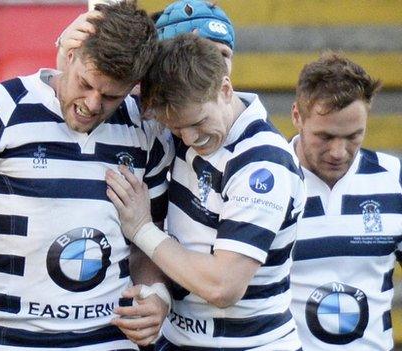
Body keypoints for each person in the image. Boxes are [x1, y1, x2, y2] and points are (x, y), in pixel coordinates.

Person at [0, 2, 174, 350]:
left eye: (110, 96)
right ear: (71, 54)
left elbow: (147, 243)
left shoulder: (146, 129)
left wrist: (156, 293)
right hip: (12, 342)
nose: (93, 104)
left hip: (110, 342)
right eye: (86, 84)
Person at [105, 35, 306, 350]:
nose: (189, 138)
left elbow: (222, 286)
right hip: (179, 339)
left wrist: (142, 229)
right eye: (175, 128)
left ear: (225, 90)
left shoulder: (262, 164)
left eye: (197, 122)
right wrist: (158, 294)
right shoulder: (191, 131)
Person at [288, 52, 393, 350]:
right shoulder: (266, 182)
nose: (338, 152)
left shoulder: (394, 180)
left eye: (353, 136)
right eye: (325, 136)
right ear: (297, 116)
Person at [57, 0, 235, 75]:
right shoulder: (129, 117)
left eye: (224, 54)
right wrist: (65, 61)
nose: (217, 63)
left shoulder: (247, 135)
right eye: (205, 50)